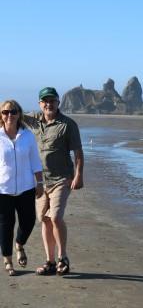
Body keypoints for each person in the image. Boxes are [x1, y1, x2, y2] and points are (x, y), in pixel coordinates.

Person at [24, 87, 84, 275]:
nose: (49, 104)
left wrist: (78, 175)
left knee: (55, 217)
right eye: (45, 101)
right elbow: (11, 113)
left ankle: (63, 257)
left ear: (58, 103)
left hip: (61, 180)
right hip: (40, 181)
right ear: (40, 104)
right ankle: (50, 262)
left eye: (52, 101)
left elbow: (78, 152)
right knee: (44, 219)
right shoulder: (33, 121)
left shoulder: (67, 124)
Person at [0, 100, 43, 276]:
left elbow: (35, 161)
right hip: (3, 189)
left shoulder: (28, 136)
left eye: (13, 111)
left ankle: (20, 244)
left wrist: (39, 183)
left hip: (26, 187)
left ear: (19, 114)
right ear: (1, 115)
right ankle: (8, 260)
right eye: (5, 112)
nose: (9, 115)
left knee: (29, 221)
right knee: (5, 225)